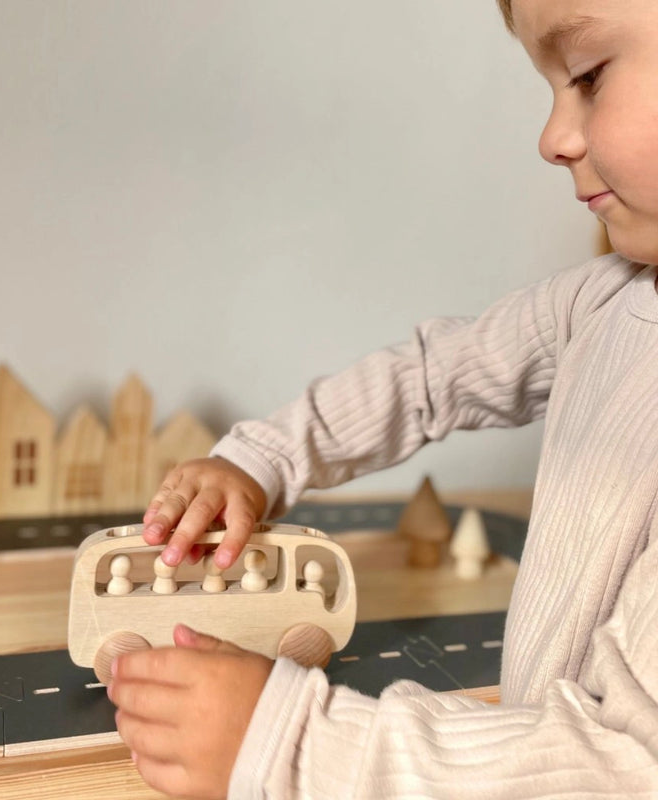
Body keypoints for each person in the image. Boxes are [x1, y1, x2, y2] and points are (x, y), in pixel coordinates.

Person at [106, 0, 658, 796]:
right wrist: (264, 458)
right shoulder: (600, 300)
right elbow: (433, 376)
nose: (551, 138)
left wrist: (296, 745)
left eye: (587, 77)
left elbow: (628, 765)